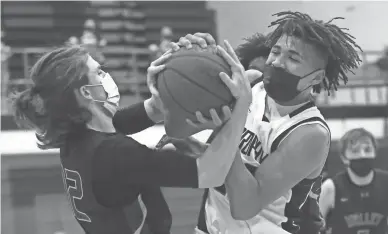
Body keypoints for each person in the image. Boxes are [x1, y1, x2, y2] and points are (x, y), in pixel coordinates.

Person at [10, 43, 252, 234]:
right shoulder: (117, 153)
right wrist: (243, 103)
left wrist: (168, 72)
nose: (106, 75)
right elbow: (210, 172)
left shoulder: (79, 135)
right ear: (86, 92)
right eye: (99, 72)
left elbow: (152, 109)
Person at [162, 11, 362, 234]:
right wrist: (184, 67)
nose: (277, 62)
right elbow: (177, 129)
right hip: (213, 223)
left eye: (293, 58)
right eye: (275, 51)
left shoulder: (309, 133)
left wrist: (228, 125)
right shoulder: (251, 84)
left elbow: (245, 206)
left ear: (316, 77)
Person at [319, 128, 388, 234]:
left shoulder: (385, 183)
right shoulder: (330, 188)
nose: (362, 155)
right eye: (355, 151)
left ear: (375, 153)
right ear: (344, 158)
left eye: (367, 150)